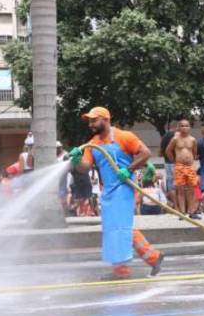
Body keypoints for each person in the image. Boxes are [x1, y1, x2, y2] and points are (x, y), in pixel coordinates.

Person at [70, 107, 163, 279]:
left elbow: (145, 153)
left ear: (105, 119)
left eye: (94, 120)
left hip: (124, 186)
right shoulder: (93, 144)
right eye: (89, 121)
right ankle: (153, 257)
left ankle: (121, 270)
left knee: (118, 227)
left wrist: (128, 170)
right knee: (116, 227)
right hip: (109, 191)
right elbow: (84, 167)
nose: (90, 124)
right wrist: (76, 159)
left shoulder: (124, 136)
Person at [164, 119, 201, 219]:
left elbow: (194, 152)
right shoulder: (175, 139)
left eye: (186, 126)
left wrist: (190, 160)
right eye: (182, 126)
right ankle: (182, 212)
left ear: (189, 127)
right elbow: (168, 151)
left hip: (189, 166)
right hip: (179, 166)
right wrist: (174, 161)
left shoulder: (193, 140)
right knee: (180, 190)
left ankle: (192, 211)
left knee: (191, 189)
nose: (184, 128)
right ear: (179, 127)